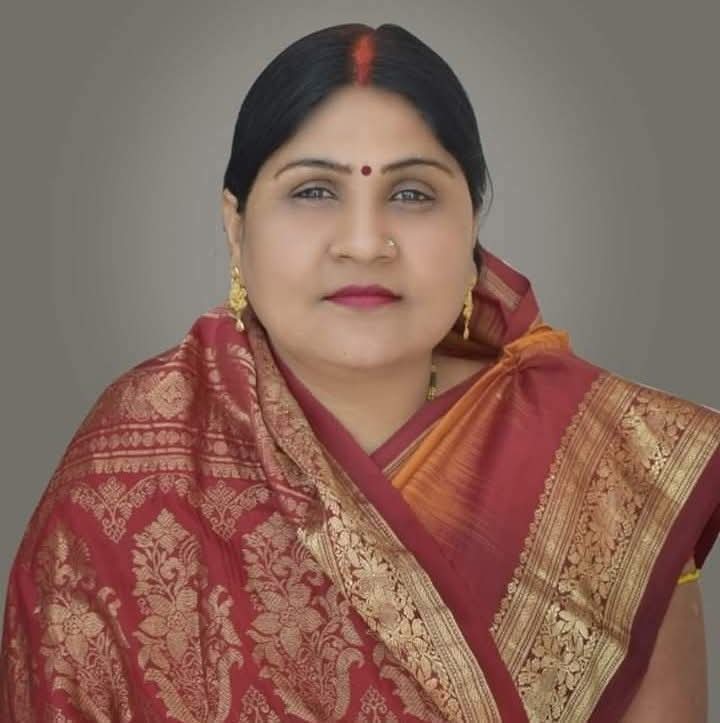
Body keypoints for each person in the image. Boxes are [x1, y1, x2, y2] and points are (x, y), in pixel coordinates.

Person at [1, 22, 718, 723]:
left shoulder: (614, 465)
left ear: (472, 226)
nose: (366, 243)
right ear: (236, 226)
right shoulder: (124, 477)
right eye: (315, 191)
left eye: (412, 194)